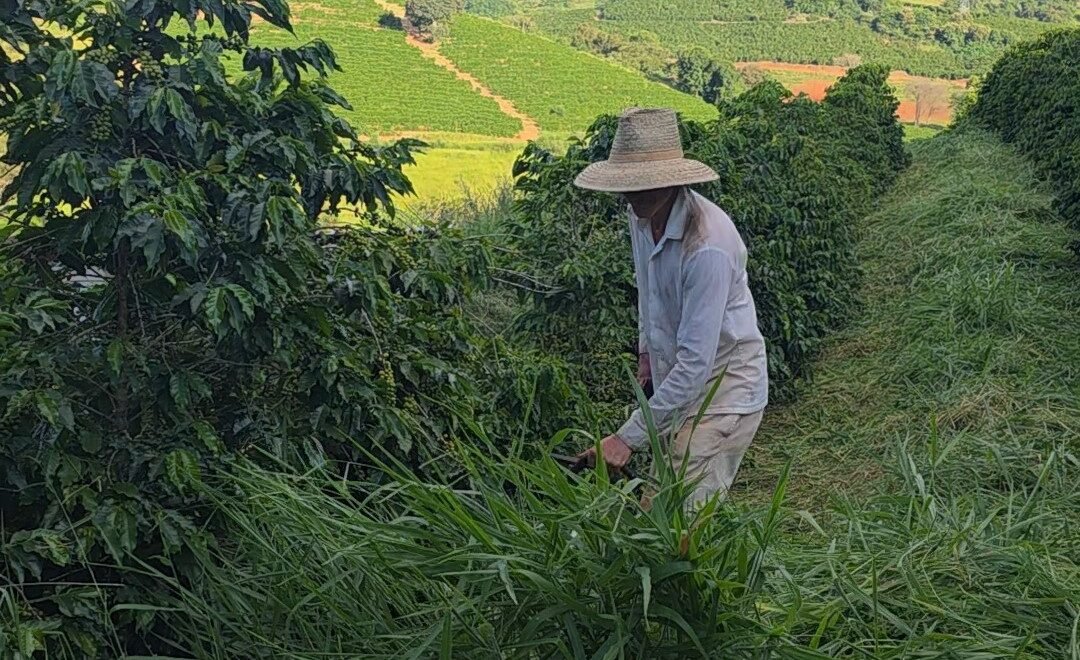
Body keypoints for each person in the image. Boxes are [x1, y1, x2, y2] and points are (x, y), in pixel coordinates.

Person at [572, 107, 769, 508]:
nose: (632, 195)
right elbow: (648, 289)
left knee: (675, 524)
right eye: (627, 186)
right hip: (679, 386)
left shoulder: (707, 247)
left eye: (643, 185)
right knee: (662, 514)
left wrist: (626, 438)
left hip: (723, 393)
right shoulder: (640, 214)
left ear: (672, 181)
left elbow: (697, 366)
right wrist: (646, 352)